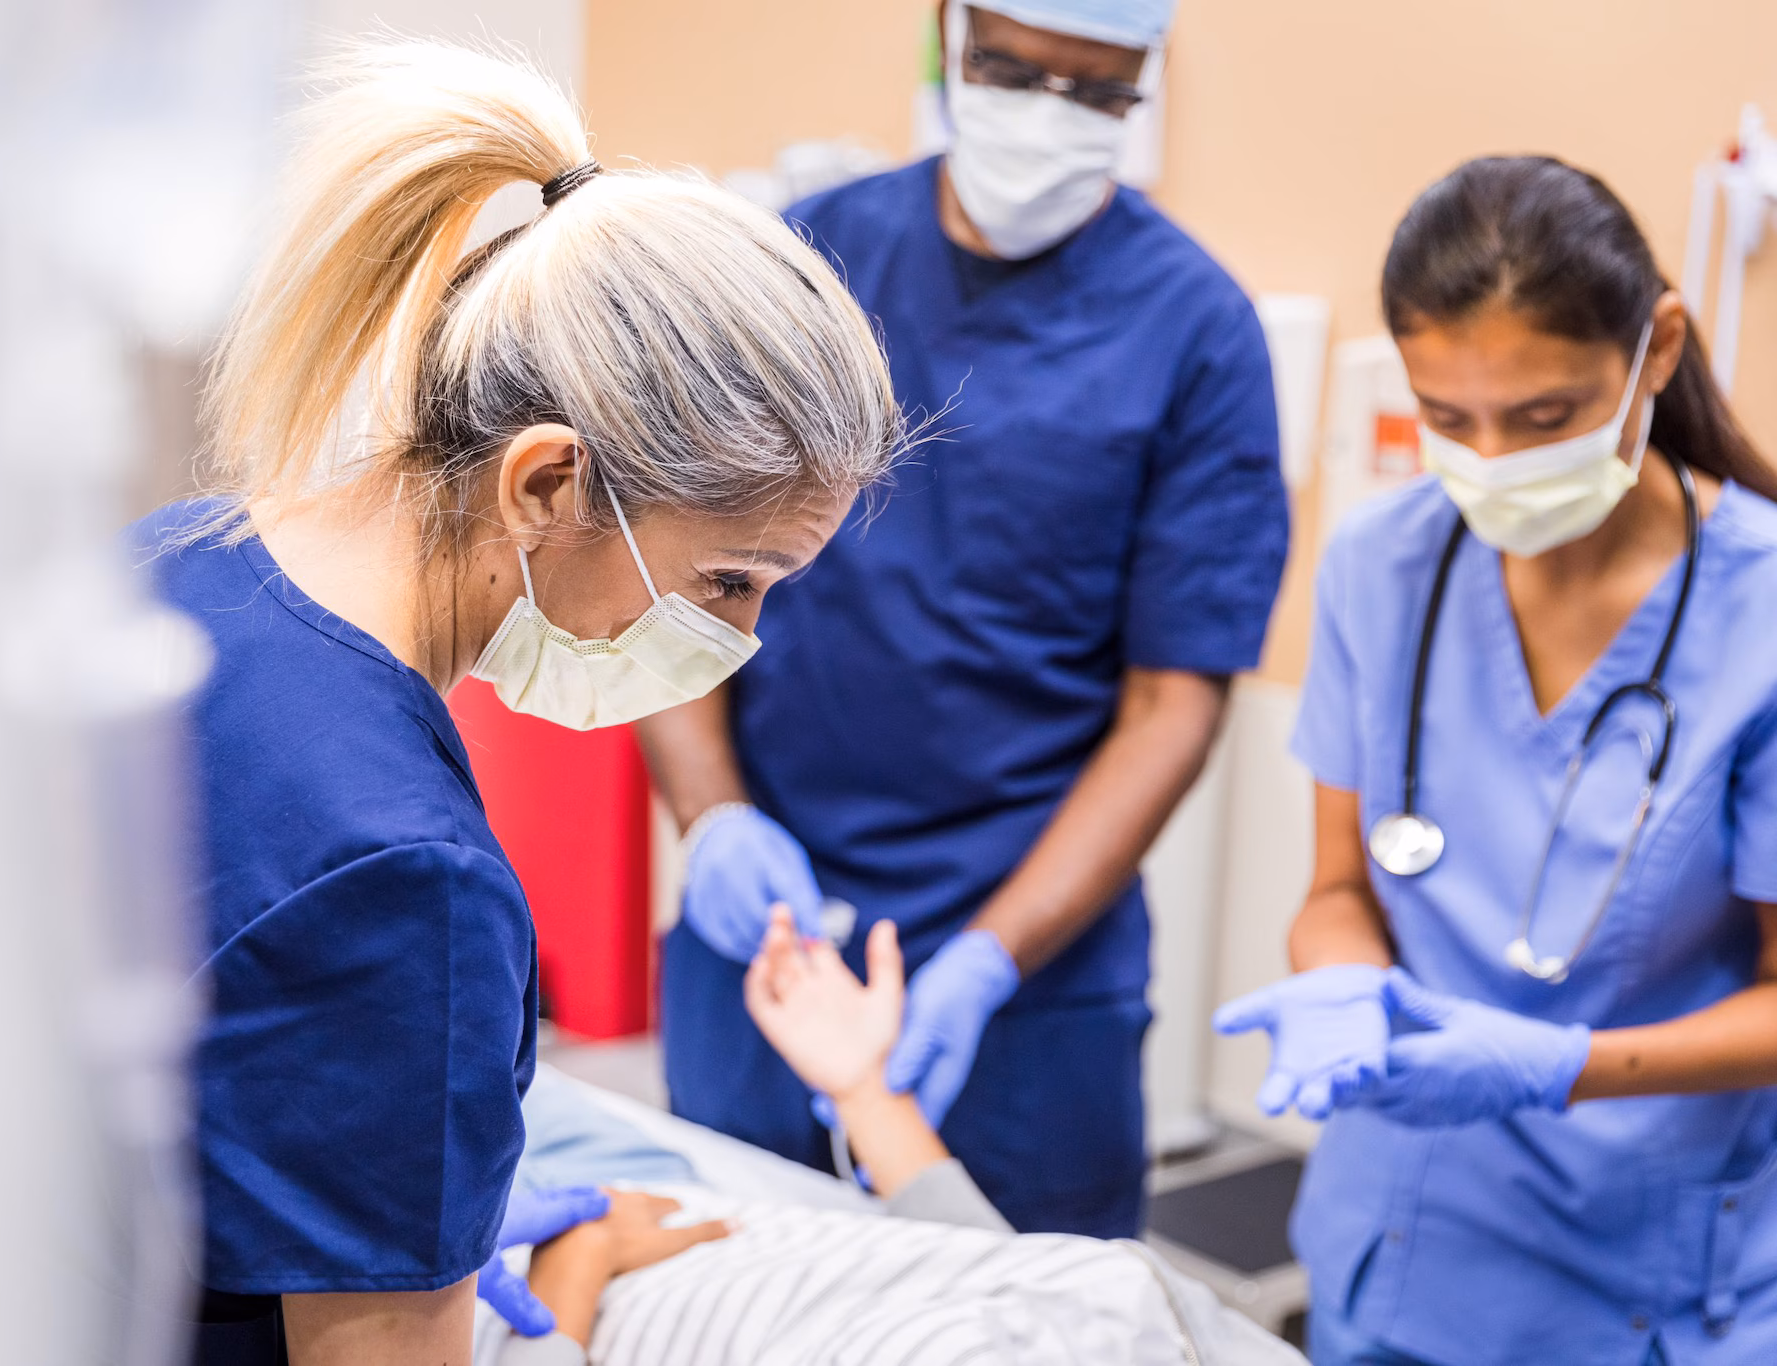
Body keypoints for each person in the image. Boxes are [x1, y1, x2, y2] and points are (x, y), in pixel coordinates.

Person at [128, 40, 904, 1366]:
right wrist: (578, 1274)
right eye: (728, 578)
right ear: (547, 483)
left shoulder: (180, 558)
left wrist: (391, 1211)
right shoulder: (402, 874)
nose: (740, 639)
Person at [639, 0, 1289, 1238]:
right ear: (947, 36)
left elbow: (1173, 702)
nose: (1045, 114)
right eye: (1010, 69)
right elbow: (670, 578)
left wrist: (991, 958)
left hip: (1029, 976)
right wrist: (711, 816)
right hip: (769, 932)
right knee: (734, 1287)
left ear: (1145, 78)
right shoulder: (804, 265)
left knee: (1021, 1306)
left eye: (1094, 91)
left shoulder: (1195, 332)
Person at [1214, 156, 1777, 1364]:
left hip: (1643, 1264)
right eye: (1447, 419)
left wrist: (1554, 1065)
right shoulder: (1380, 565)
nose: (1492, 462)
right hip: (1401, 1241)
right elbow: (1336, 892)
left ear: (1657, 348)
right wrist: (1334, 987)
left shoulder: (1762, 613)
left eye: (1544, 417)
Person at [477, 912, 1303, 1365]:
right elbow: (1018, 1281)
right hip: (683, 1208)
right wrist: (869, 1094)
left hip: (551, 1293)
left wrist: (578, 1262)